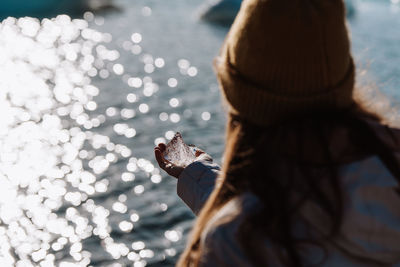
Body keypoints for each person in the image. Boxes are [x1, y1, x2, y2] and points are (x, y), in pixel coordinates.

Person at [154, 0, 400, 266]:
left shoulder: (234, 245)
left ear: (239, 98)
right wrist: (199, 176)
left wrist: (199, 178)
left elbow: (262, 219)